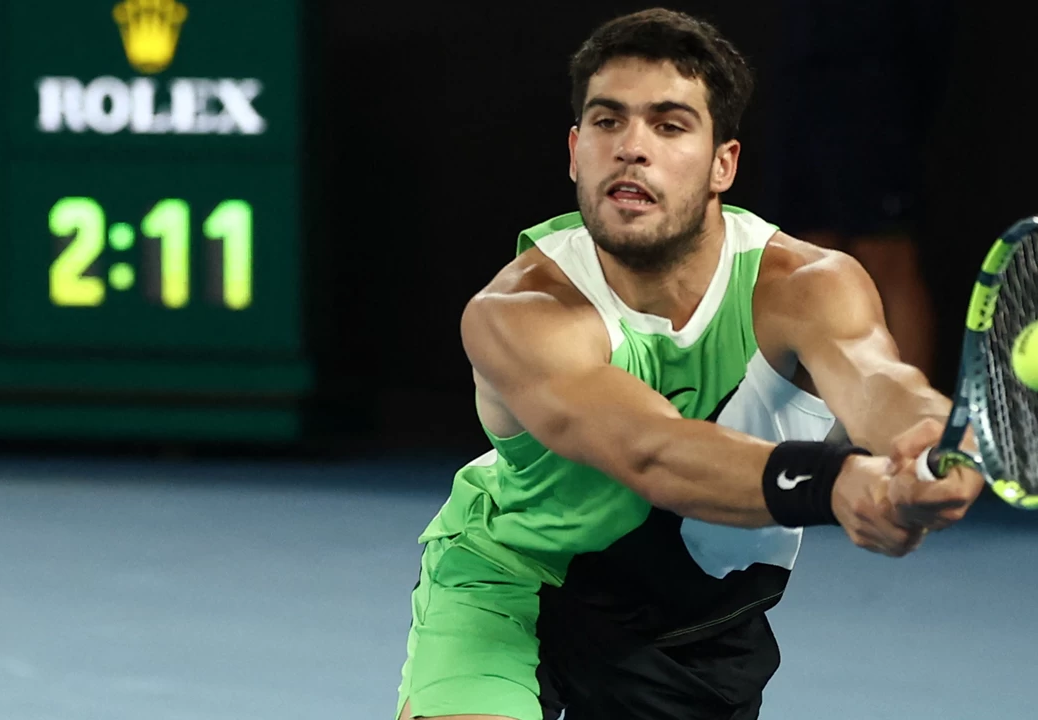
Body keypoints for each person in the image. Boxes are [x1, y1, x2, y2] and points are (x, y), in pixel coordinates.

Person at [396, 8, 982, 720]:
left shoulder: (807, 285)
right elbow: (653, 454)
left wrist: (926, 433)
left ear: (722, 164)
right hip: (515, 594)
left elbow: (879, 382)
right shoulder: (517, 312)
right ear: (576, 152)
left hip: (699, 634)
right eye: (608, 122)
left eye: (669, 126)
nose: (632, 149)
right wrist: (832, 484)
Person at [765, 0, 957, 381]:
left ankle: (915, 423)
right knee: (806, 256)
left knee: (885, 252)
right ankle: (819, 422)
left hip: (875, 75)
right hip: (803, 71)